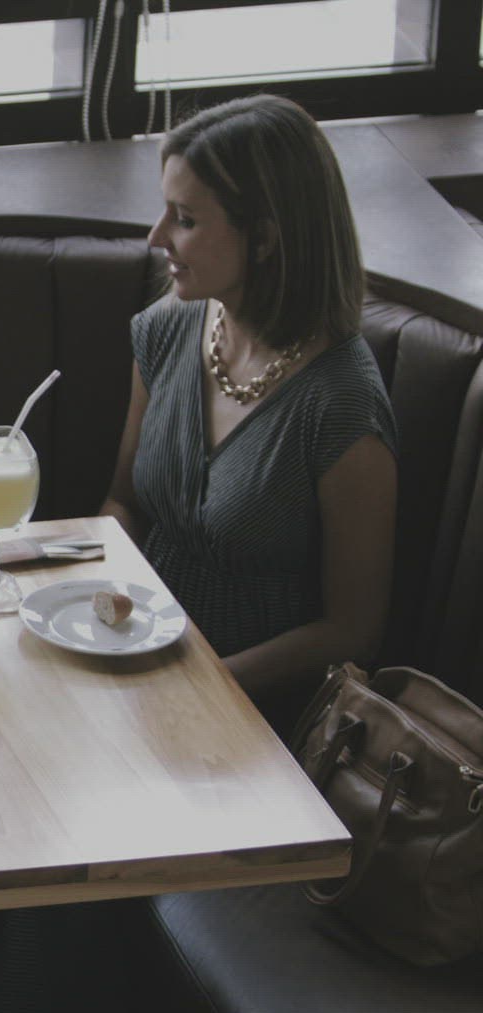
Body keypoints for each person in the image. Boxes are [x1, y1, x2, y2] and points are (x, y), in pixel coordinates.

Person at [101, 93, 397, 723]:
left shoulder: (342, 404)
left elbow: (353, 631)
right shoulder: (166, 327)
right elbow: (124, 502)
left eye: (184, 219)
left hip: (260, 713)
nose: (156, 237)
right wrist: (91, 606)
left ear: (263, 238)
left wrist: (201, 685)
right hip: (139, 665)